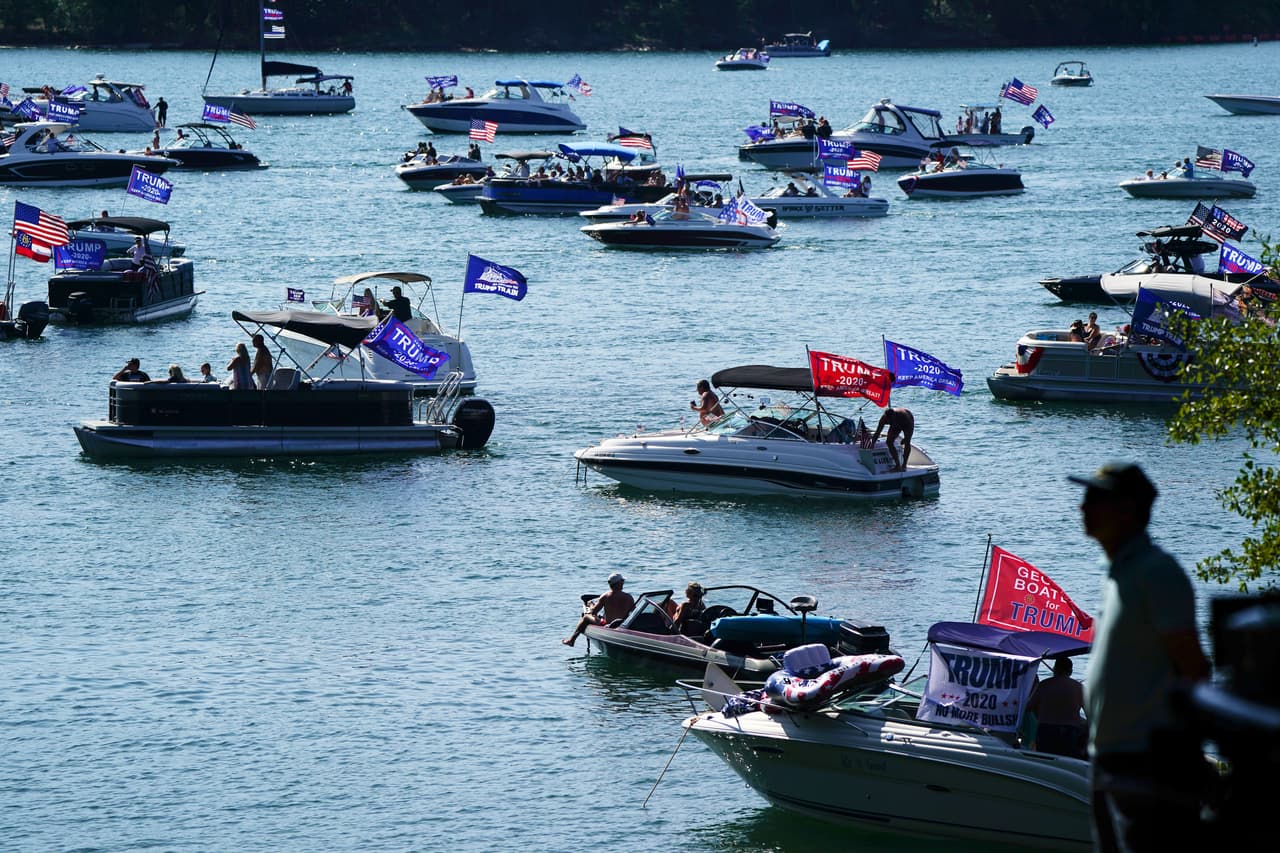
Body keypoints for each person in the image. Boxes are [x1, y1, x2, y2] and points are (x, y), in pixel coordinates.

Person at [1068, 463, 1210, 851]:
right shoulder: (1118, 574)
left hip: (1145, 763)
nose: (1083, 508)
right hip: (1111, 758)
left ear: (1126, 511)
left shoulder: (1156, 572)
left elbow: (1194, 669)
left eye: (1095, 500)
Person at [1026, 657, 1087, 758]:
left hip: (1046, 730)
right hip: (1070, 732)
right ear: (1071, 671)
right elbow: (1091, 716)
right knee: (1067, 761)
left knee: (1045, 761)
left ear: (1055, 669)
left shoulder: (1044, 685)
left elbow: (1028, 707)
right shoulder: (1080, 688)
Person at [562, 572, 635, 646]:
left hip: (608, 625)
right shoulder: (629, 597)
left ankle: (572, 640)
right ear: (619, 583)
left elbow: (593, 612)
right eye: (622, 581)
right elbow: (634, 613)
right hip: (623, 625)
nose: (623, 583)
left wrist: (590, 604)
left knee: (586, 617)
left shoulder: (605, 596)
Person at [871, 407, 914, 472]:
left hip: (907, 422)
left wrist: (905, 439)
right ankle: (897, 466)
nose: (890, 421)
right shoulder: (884, 419)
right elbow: (878, 432)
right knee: (889, 442)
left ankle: (904, 465)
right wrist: (872, 444)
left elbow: (908, 435)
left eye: (892, 419)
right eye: (889, 421)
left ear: (894, 416)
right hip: (895, 426)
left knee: (907, 442)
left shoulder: (903, 416)